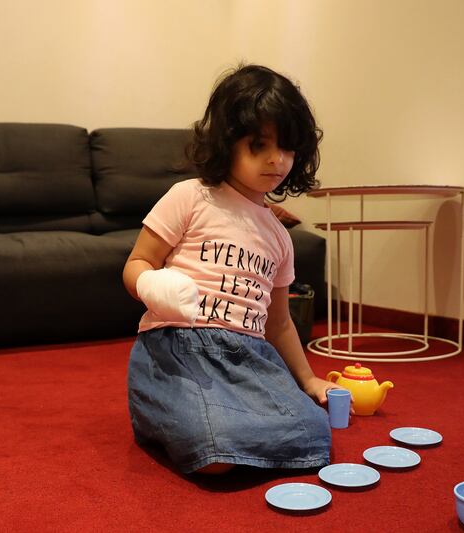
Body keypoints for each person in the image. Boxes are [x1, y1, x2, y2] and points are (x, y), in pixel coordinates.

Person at [123, 64, 342, 475]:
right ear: (227, 143)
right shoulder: (190, 197)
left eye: (288, 148)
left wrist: (309, 380)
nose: (277, 160)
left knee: (315, 432)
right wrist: (154, 285)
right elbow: (137, 262)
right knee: (214, 450)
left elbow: (278, 324)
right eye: (259, 145)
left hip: (247, 356)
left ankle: (217, 431)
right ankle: (169, 417)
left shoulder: (279, 236)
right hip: (179, 346)